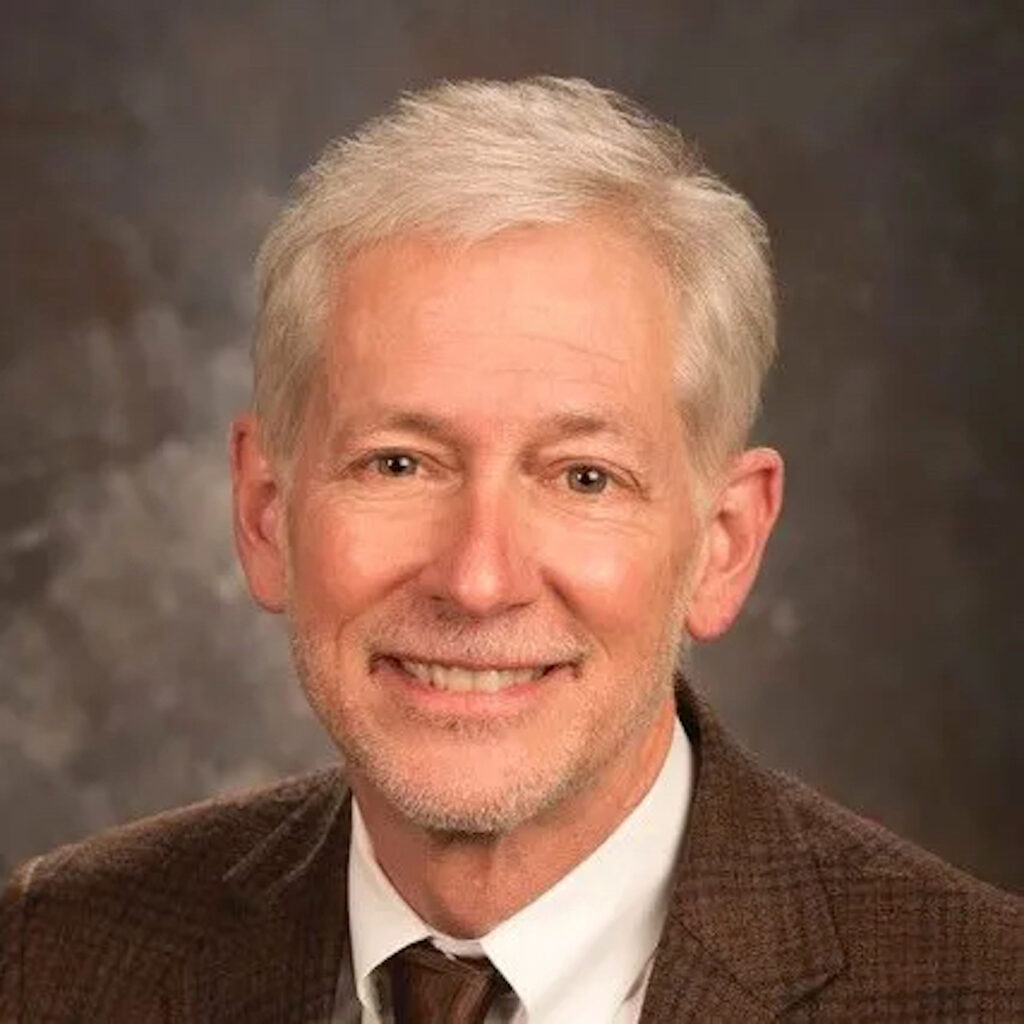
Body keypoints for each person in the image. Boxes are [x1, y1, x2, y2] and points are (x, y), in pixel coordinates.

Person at [1, 76, 1020, 1024]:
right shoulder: (52, 958)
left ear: (723, 542)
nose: (478, 579)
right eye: (399, 463)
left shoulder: (982, 992)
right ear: (267, 512)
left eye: (584, 478)